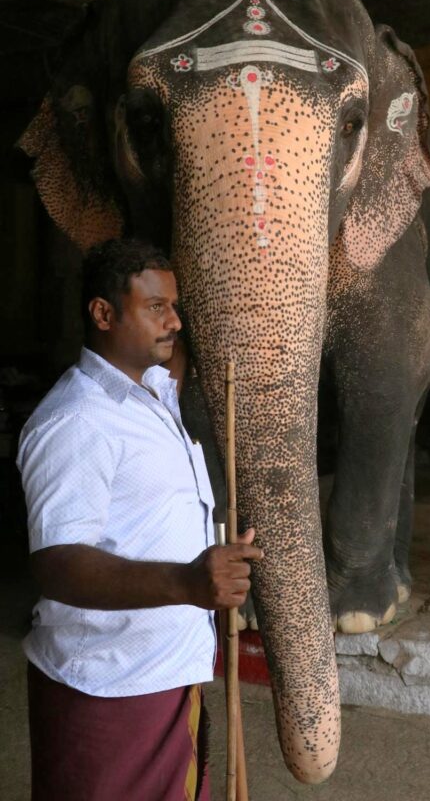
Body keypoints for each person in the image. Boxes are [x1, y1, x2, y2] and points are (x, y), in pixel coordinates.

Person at [17, 238, 262, 801]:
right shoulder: (77, 420)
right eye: (156, 307)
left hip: (165, 670)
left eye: (175, 305)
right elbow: (57, 564)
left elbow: (176, 354)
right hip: (108, 686)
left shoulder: (150, 391)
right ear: (103, 314)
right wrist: (187, 582)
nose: (174, 320)